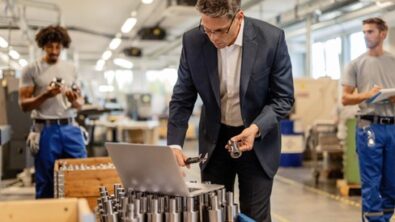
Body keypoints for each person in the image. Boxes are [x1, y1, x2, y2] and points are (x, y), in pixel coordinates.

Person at [167, 0, 294, 220]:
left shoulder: (271, 39)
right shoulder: (193, 41)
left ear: (239, 18)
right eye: (206, 30)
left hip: (256, 141)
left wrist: (256, 128)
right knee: (213, 214)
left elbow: (283, 97)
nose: (213, 38)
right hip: (214, 142)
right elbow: (182, 97)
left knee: (254, 216)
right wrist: (175, 143)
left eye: (220, 31)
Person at [19, 25, 86, 198]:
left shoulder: (71, 69)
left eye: (58, 47)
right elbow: (24, 105)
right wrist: (46, 95)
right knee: (47, 183)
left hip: (71, 128)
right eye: (50, 46)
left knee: (81, 176)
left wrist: (74, 100)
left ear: (63, 46)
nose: (54, 51)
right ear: (42, 46)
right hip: (46, 130)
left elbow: (80, 103)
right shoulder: (31, 70)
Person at [342, 17, 395, 222]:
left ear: (383, 34)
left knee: (392, 183)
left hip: (392, 127)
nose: (366, 35)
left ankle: (384, 218)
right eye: (364, 32)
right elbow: (345, 98)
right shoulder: (356, 64)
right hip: (369, 128)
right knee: (372, 182)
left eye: (370, 32)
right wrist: (367, 95)